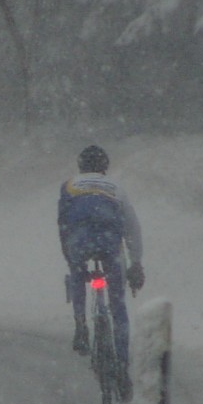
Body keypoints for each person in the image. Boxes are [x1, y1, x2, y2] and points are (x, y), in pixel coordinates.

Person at [58, 145, 145, 373]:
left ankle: (81, 326)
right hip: (109, 243)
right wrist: (136, 264)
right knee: (118, 305)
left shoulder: (69, 186)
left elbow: (63, 225)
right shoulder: (116, 187)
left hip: (79, 242)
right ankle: (123, 365)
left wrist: (71, 259)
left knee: (77, 275)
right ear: (105, 166)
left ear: (80, 166)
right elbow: (132, 227)